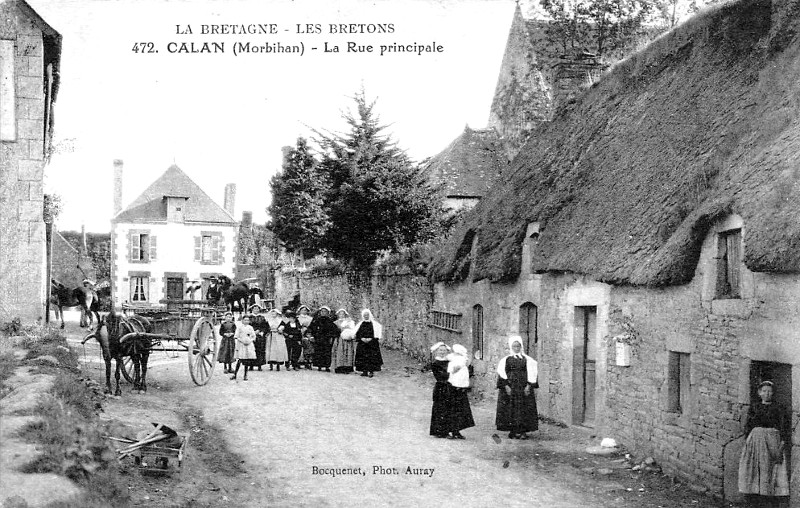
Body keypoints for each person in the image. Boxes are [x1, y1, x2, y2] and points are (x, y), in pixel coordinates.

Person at [738, 381, 790, 506]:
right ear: (759, 393)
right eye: (764, 391)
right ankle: (754, 498)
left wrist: (780, 448)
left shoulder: (779, 408)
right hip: (755, 442)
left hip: (772, 442)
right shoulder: (754, 407)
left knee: (770, 470)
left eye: (769, 391)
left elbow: (784, 430)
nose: (767, 394)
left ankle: (769, 500)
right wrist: (748, 445)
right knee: (753, 469)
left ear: (773, 393)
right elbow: (748, 427)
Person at [495, 335, 538, 439]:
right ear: (511, 347)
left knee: (524, 409)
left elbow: (532, 373)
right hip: (511, 387)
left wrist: (529, 386)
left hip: (522, 387)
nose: (516, 348)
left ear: (521, 346)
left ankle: (523, 431)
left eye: (518, 346)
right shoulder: (506, 360)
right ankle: (513, 431)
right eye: (514, 346)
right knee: (511, 409)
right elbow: (502, 374)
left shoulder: (527, 360)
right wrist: (506, 386)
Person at [446, 344, 475, 439]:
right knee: (453, 409)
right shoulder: (452, 360)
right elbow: (452, 371)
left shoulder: (462, 360)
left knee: (460, 409)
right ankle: (452, 430)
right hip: (453, 387)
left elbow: (462, 370)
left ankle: (457, 430)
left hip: (461, 387)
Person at [429, 342, 452, 438]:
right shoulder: (435, 363)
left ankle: (448, 430)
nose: (442, 352)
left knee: (448, 409)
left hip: (449, 386)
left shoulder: (449, 361)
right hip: (441, 387)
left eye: (444, 350)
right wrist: (452, 373)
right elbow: (440, 376)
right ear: (437, 352)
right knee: (440, 408)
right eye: (440, 350)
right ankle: (440, 431)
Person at [354, 309, 383, 378]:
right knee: (362, 357)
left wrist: (371, 339)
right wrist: (361, 338)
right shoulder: (360, 324)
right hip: (362, 343)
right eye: (364, 315)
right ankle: (364, 371)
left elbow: (377, 334)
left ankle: (371, 371)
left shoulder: (375, 324)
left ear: (369, 315)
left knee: (371, 357)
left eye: (367, 315)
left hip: (372, 344)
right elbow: (357, 333)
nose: (366, 316)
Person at [309, 306, 338, 372]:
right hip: (318, 339)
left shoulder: (330, 321)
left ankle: (327, 366)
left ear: (327, 313)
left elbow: (334, 330)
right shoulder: (316, 320)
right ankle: (319, 366)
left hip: (326, 340)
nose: (323, 313)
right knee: (318, 352)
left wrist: (331, 337)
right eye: (322, 311)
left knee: (327, 353)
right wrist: (312, 336)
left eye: (325, 311)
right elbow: (311, 328)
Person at [231, 315, 256, 381]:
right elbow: (236, 336)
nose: (246, 321)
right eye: (245, 320)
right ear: (242, 321)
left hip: (248, 344)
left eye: (248, 320)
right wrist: (242, 341)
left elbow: (253, 336)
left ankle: (245, 375)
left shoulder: (250, 327)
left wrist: (250, 341)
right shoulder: (239, 327)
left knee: (247, 361)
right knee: (240, 360)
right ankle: (235, 374)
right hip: (241, 344)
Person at [332, 309, 357, 374]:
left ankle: (347, 367)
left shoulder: (349, 322)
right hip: (339, 339)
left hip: (347, 339)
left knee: (348, 352)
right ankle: (339, 366)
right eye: (340, 314)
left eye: (343, 314)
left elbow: (352, 329)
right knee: (339, 352)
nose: (341, 315)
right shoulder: (336, 322)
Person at [249, 305, 268, 372]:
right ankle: (251, 366)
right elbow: (247, 325)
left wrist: (261, 331)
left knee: (260, 350)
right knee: (251, 350)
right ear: (252, 309)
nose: (256, 310)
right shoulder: (249, 317)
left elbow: (265, 326)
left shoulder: (262, 317)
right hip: (251, 335)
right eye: (254, 309)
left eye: (257, 309)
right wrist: (253, 332)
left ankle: (259, 365)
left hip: (260, 336)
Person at [297, 305, 314, 369]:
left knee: (307, 347)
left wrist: (307, 332)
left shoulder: (310, 318)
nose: (304, 311)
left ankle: (307, 362)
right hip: (299, 333)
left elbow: (311, 327)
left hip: (307, 333)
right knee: (299, 347)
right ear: (300, 311)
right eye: (302, 310)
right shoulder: (297, 318)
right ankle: (299, 362)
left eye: (305, 310)